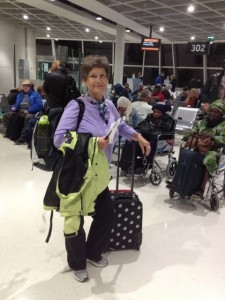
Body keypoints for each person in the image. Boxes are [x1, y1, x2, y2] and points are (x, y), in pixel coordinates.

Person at [53, 55, 150, 282]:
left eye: (102, 76)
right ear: (85, 80)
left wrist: (138, 136)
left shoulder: (107, 105)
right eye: (93, 76)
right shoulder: (76, 106)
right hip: (78, 175)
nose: (98, 80)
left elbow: (120, 126)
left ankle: (93, 253)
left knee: (106, 216)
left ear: (108, 79)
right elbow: (59, 138)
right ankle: (77, 263)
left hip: (99, 175)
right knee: (74, 221)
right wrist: (93, 142)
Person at [167, 100, 225, 199]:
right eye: (211, 111)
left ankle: (201, 189)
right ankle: (178, 182)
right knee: (185, 153)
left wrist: (212, 137)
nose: (213, 114)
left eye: (216, 112)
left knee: (208, 158)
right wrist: (193, 135)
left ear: (221, 114)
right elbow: (190, 132)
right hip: (198, 147)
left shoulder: (223, 125)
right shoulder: (201, 122)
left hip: (215, 150)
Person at [120, 103, 173, 174]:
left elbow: (165, 129)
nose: (156, 114)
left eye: (158, 112)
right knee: (131, 141)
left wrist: (150, 127)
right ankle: (127, 164)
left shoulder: (167, 119)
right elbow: (140, 125)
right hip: (148, 136)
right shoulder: (150, 117)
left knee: (149, 145)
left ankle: (143, 166)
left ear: (162, 112)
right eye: (154, 112)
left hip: (160, 139)